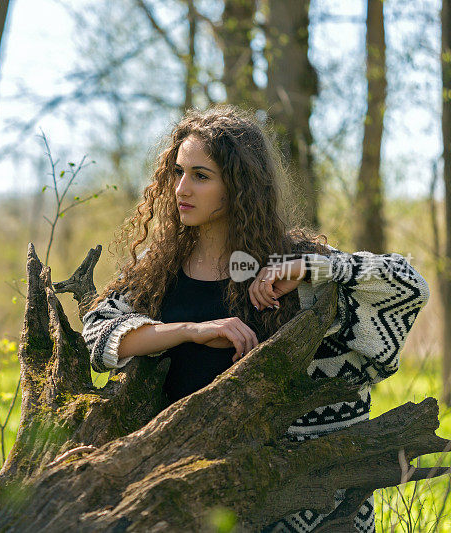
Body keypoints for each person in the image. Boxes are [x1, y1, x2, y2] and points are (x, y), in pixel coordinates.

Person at [81, 104, 430, 532]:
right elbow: (98, 330)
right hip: (182, 493)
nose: (181, 189)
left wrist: (310, 270)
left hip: (299, 502)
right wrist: (191, 331)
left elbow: (407, 286)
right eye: (178, 172)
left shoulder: (291, 263)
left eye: (201, 176)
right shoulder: (160, 267)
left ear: (239, 186)